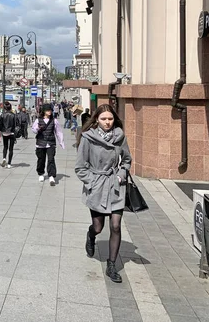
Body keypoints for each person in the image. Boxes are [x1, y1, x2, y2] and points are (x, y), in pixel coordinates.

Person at [75, 104, 132, 284]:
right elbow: (80, 167)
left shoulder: (120, 136)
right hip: (97, 186)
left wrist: (122, 174)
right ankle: (91, 235)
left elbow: (127, 160)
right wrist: (92, 182)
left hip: (115, 185)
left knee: (115, 226)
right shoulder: (88, 138)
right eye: (103, 119)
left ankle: (112, 265)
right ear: (96, 120)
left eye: (110, 119)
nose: (107, 122)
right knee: (98, 227)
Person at [32, 103, 64, 186]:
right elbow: (34, 130)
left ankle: (51, 176)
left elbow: (58, 132)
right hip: (40, 143)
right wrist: (37, 128)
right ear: (44, 111)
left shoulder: (54, 121)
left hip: (50, 143)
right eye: (48, 110)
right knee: (41, 159)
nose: (49, 112)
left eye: (50, 110)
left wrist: (61, 142)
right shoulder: (38, 120)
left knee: (51, 159)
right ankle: (41, 173)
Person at [0, 101, 17, 169]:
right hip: (11, 132)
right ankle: (9, 163)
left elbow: (0, 125)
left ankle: (4, 158)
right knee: (11, 148)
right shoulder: (13, 115)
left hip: (4, 132)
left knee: (5, 146)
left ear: (5, 108)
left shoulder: (2, 115)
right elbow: (15, 125)